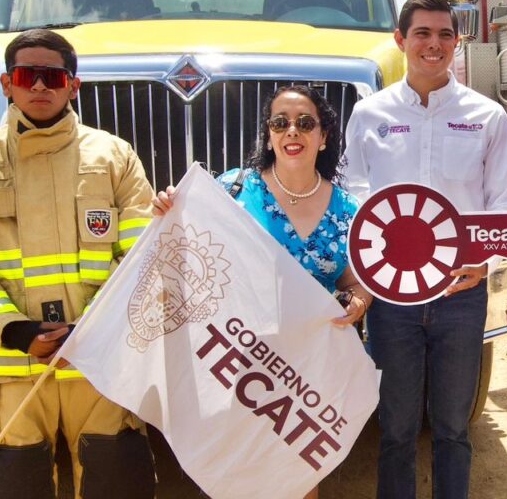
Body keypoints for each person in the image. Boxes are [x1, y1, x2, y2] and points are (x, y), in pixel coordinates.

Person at [0, 29, 156, 497]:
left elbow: (142, 256)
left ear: (73, 85)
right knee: (14, 484)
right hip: (8, 368)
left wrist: (91, 330)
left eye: (51, 76)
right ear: (8, 84)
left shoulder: (115, 159)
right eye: (27, 76)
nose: (39, 87)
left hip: (98, 365)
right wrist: (13, 331)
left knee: (117, 481)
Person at [343, 0, 507, 499]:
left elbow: (505, 204)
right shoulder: (369, 114)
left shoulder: (487, 116)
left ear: (457, 42)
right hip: (392, 302)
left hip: (460, 297)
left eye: (445, 34)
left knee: (452, 429)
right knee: (396, 430)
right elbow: (354, 200)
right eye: (422, 33)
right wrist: (364, 274)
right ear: (401, 41)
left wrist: (486, 261)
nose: (434, 44)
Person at [152, 85, 371, 499]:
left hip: (307, 371)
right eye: (280, 122)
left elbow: (355, 281)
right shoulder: (231, 190)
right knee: (232, 470)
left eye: (305, 123)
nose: (293, 131)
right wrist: (168, 213)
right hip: (238, 358)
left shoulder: (349, 211)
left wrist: (359, 300)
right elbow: (191, 255)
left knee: (300, 476)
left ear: (323, 137)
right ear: (268, 135)